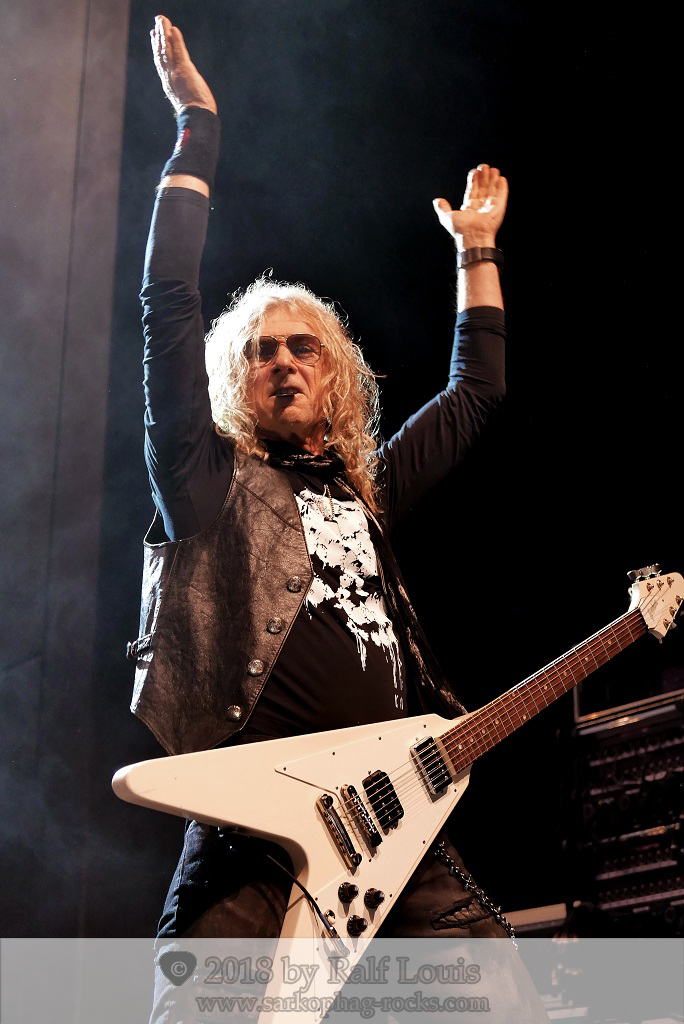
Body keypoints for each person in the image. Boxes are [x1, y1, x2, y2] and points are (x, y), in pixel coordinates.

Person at [130, 14, 549, 1024]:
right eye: (261, 350)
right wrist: (196, 128)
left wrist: (477, 251)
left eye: (303, 347)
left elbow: (477, 393)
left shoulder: (370, 491)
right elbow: (167, 300)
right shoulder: (207, 480)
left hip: (390, 819)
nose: (282, 359)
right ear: (240, 381)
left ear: (336, 377)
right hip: (253, 839)